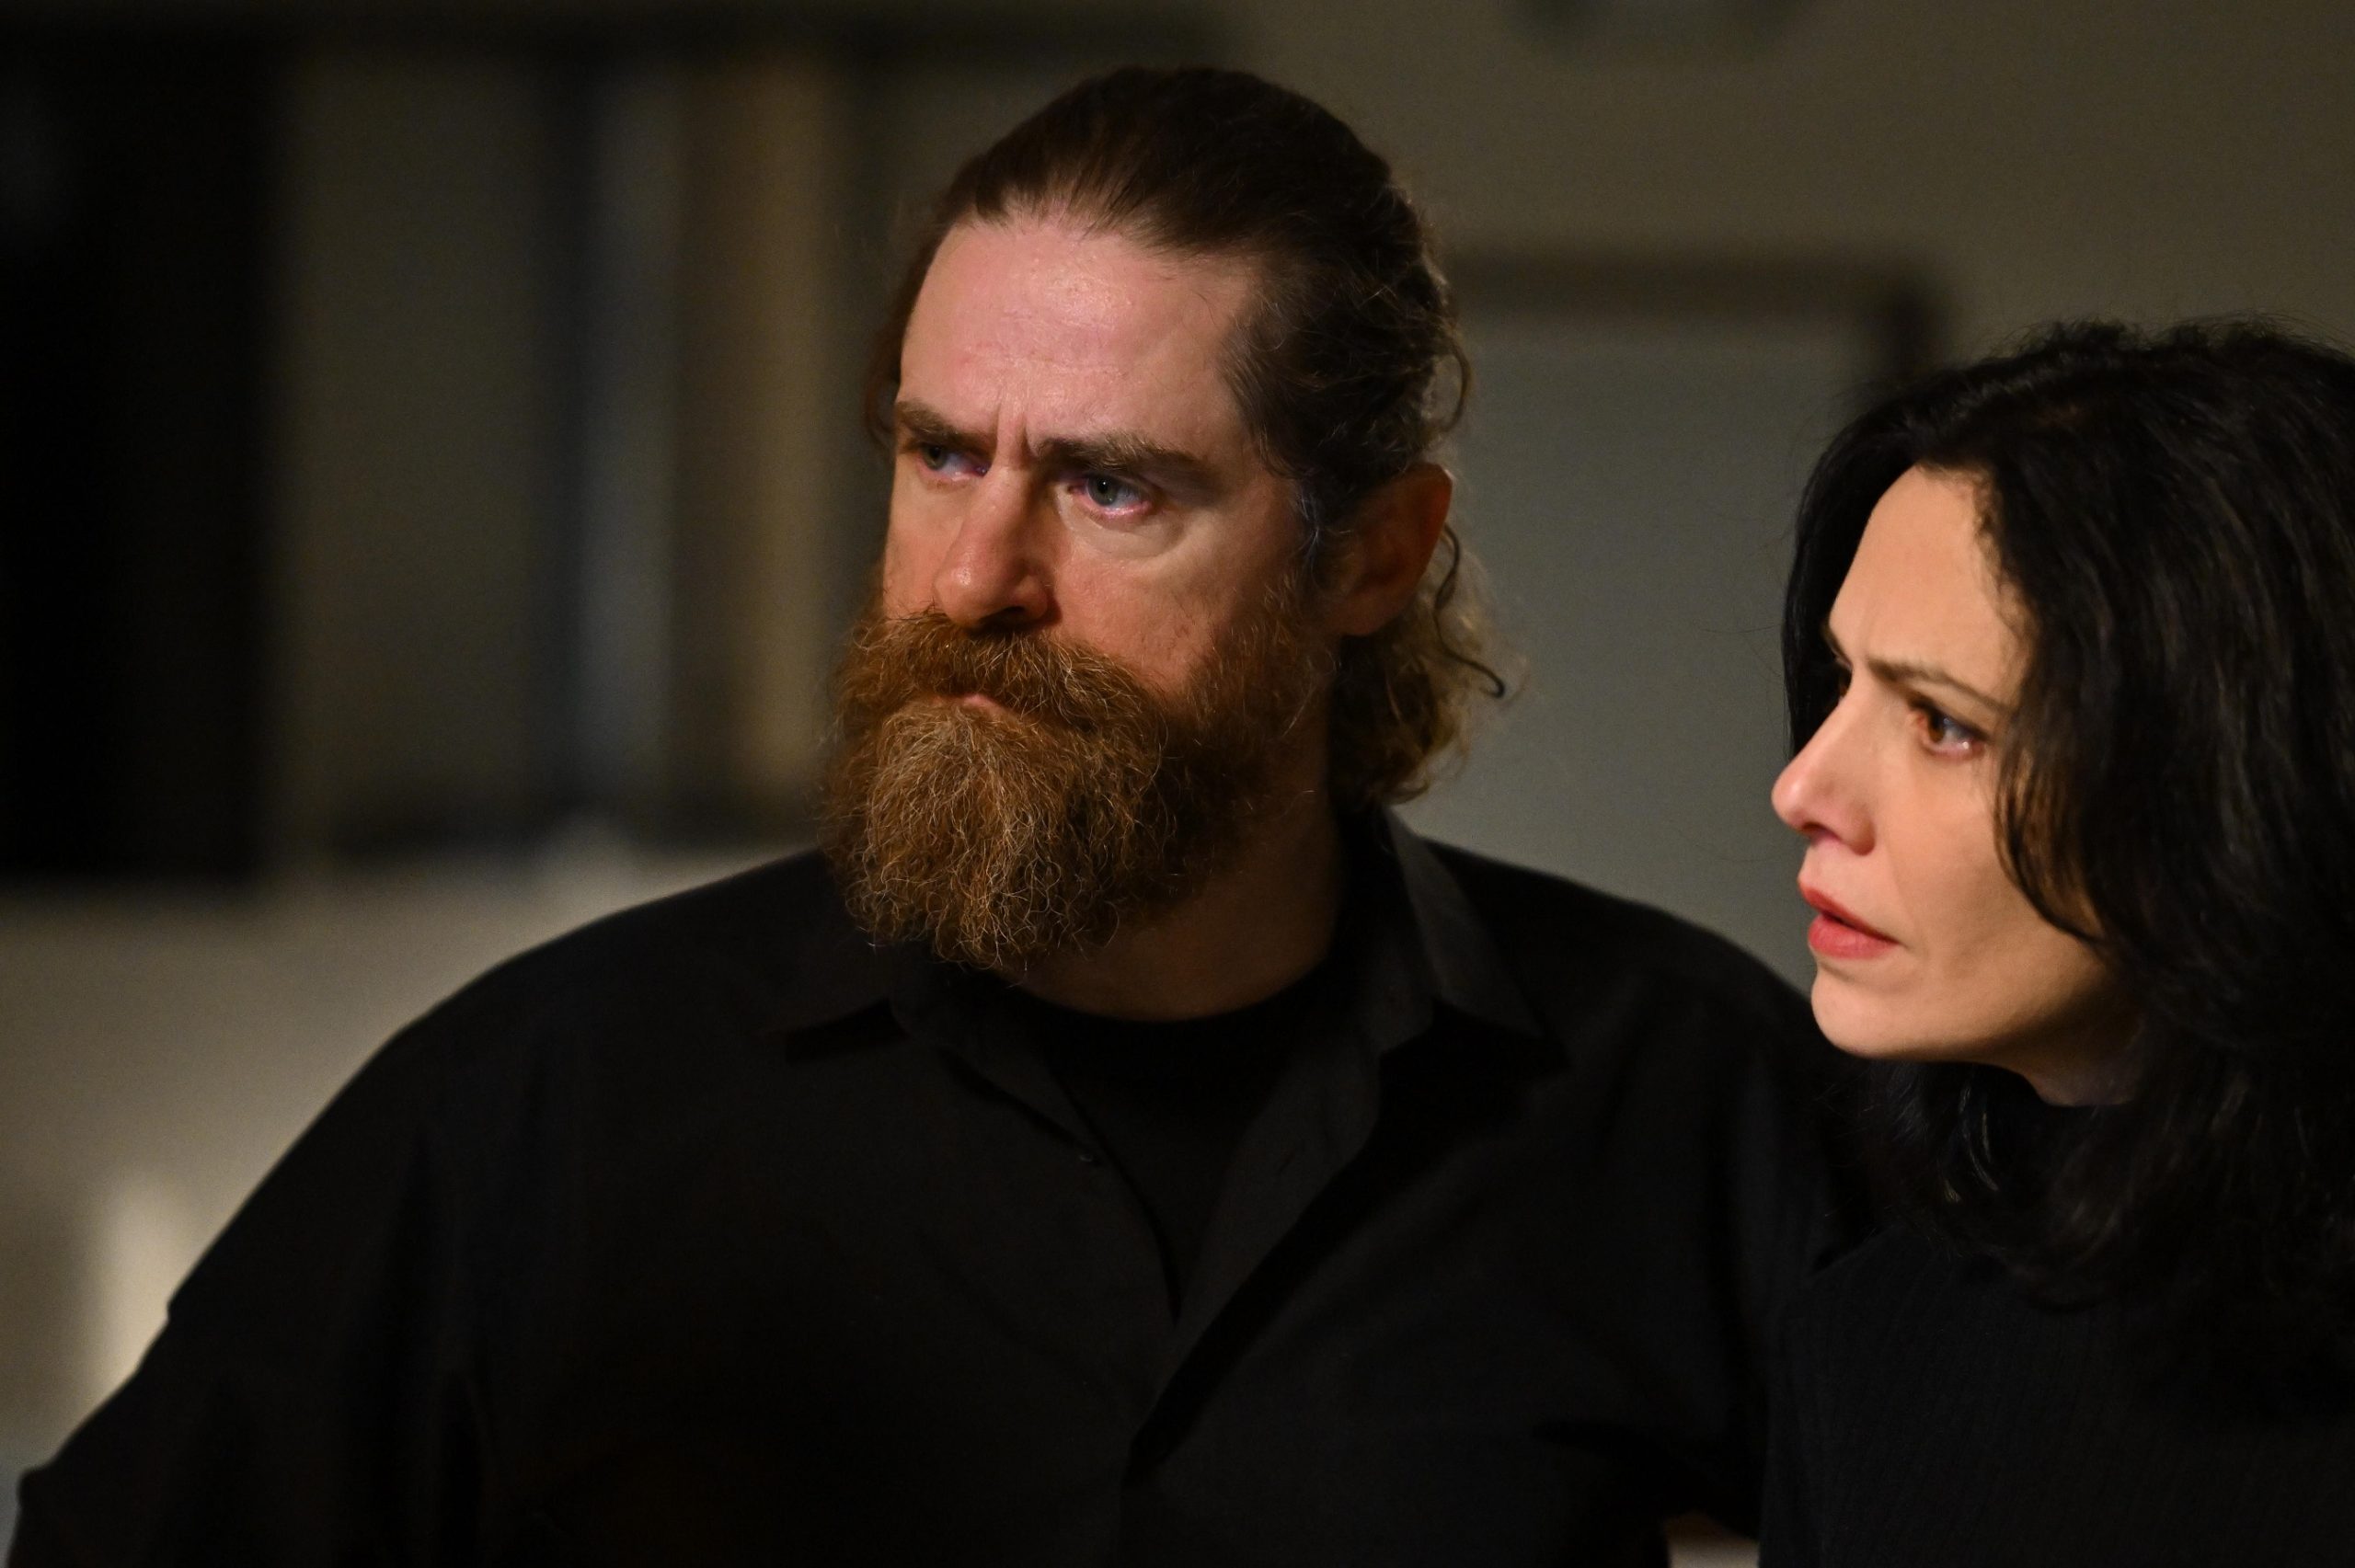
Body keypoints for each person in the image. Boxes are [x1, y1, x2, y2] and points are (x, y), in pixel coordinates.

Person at [13, 67, 1846, 1567]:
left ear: (1371, 554)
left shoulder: (1675, 1095)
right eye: (939, 453)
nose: (973, 575)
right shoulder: (549, 1106)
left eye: (1108, 488)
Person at [1763, 319, 2355, 1567]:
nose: (1804, 787)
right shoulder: (1865, 1344)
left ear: (2231, 780)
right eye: (1842, 681)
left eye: (1943, 723)